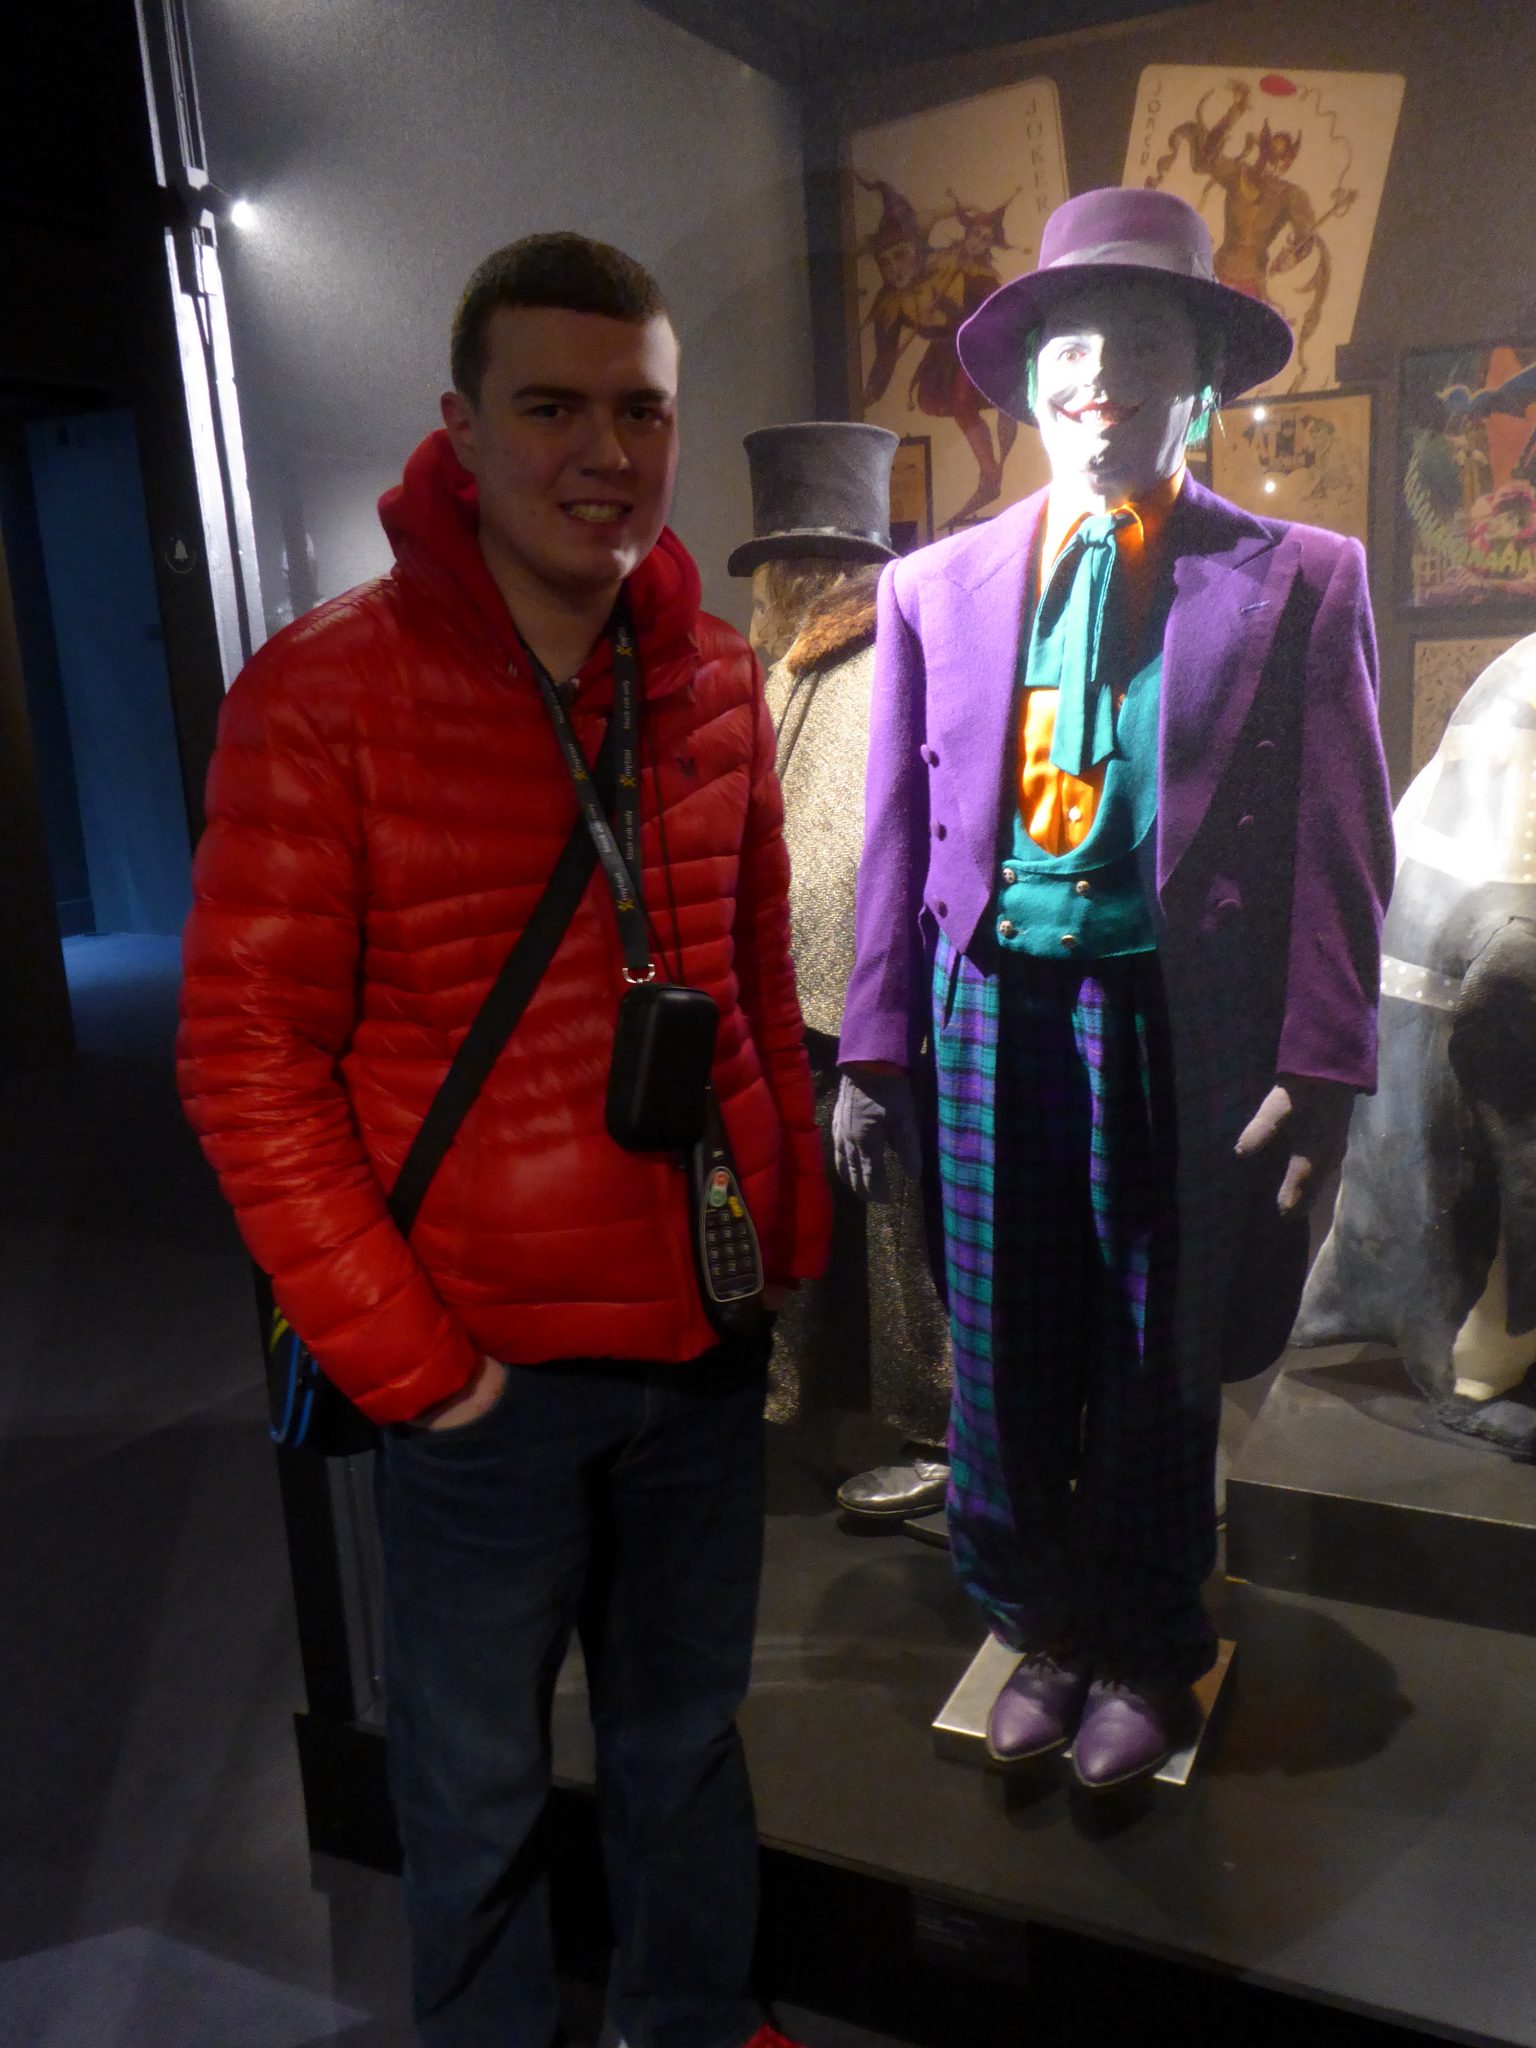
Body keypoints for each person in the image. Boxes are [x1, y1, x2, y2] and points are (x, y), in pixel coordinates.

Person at [178, 232, 828, 2048]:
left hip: (696, 1344)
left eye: (642, 410)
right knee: (467, 1785)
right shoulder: (325, 692)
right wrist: (418, 1368)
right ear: (460, 428)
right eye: (552, 407)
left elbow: (753, 984)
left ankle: (693, 2018)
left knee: (683, 1739)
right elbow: (245, 1064)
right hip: (481, 1373)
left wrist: (780, 1239)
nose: (603, 452)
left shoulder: (713, 679)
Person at [834, 187, 1394, 1789]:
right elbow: (894, 833)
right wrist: (874, 1044)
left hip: (1171, 1014)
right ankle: (1041, 1623)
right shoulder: (930, 587)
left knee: (1157, 1341)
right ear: (1030, 379)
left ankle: (1147, 1636)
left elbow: (1342, 838)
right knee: (1002, 1340)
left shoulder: (1304, 576)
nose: (1103, 374)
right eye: (1074, 343)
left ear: (1199, 377)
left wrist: (1327, 1062)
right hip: (988, 1006)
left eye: (1146, 340)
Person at [730, 422, 952, 1517]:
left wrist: (872, 1020)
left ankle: (940, 1428)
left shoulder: (877, 664)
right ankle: (816, 1403)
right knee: (838, 1211)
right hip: (812, 1004)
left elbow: (866, 853)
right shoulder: (793, 667)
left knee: (900, 1223)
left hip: (862, 1007)